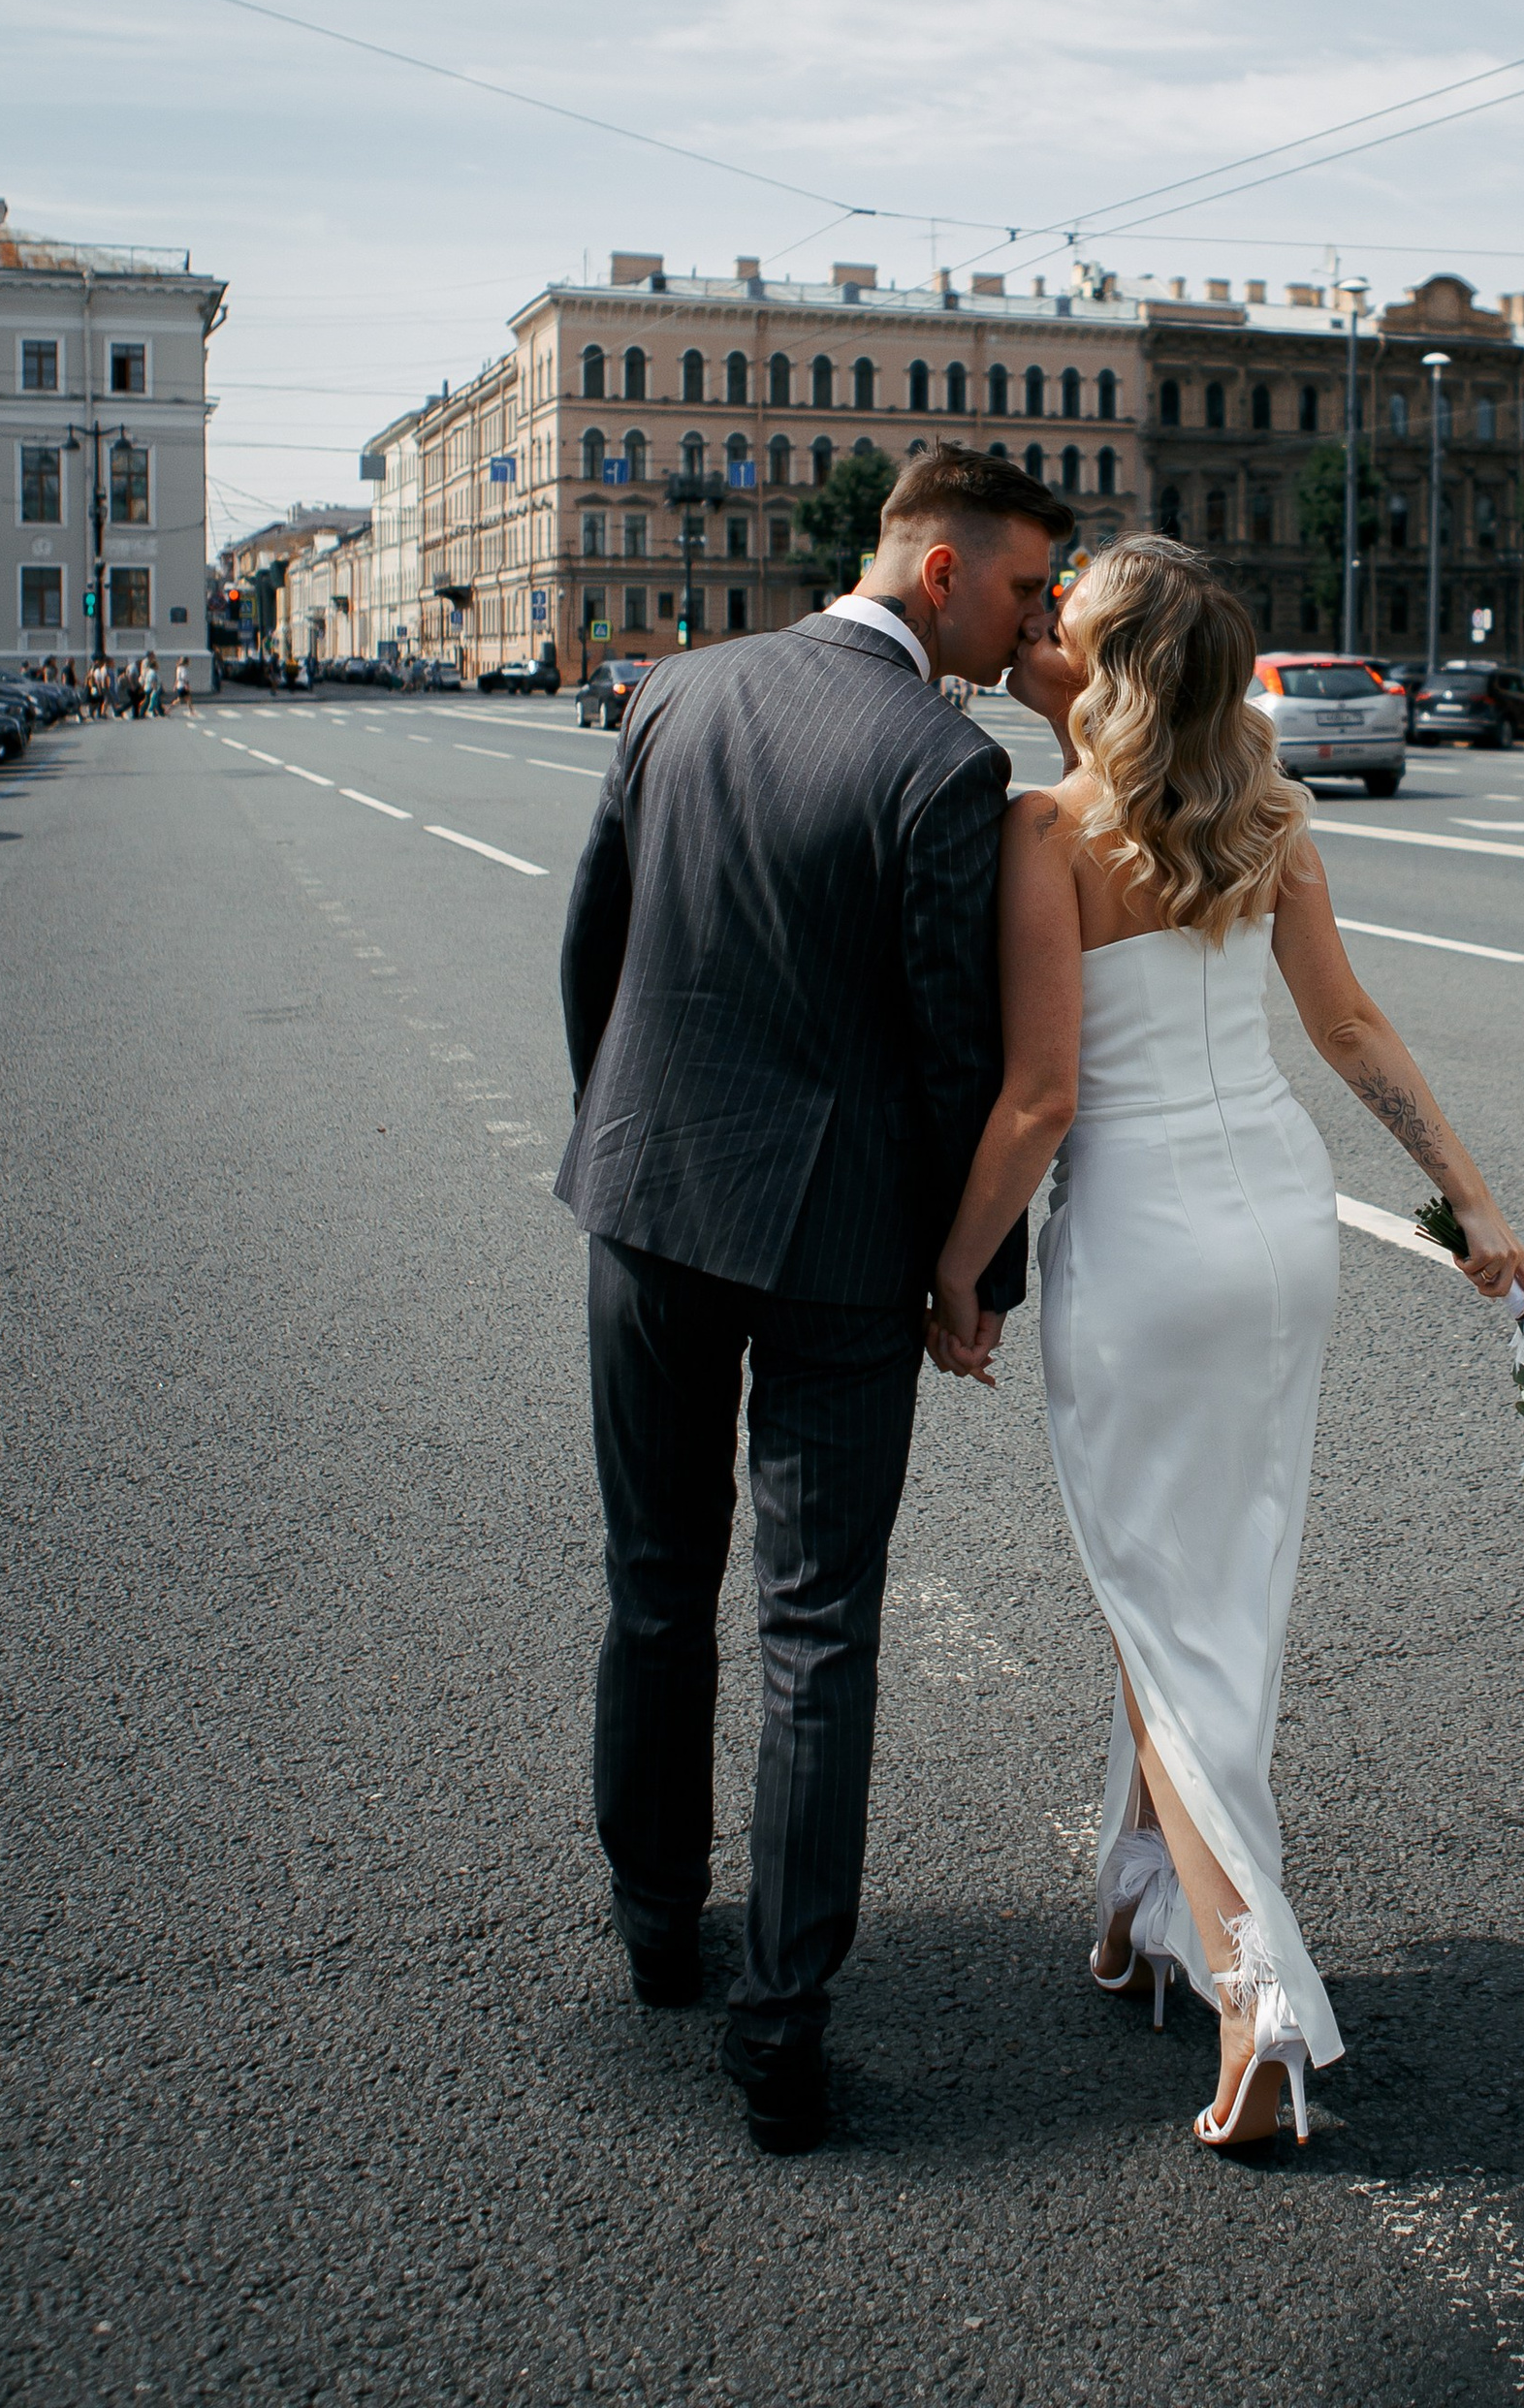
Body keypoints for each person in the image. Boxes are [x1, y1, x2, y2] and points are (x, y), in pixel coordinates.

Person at [930, 536, 1524, 2156]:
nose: (1038, 635)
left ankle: (1255, 1987)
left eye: (1064, 624)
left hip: (1141, 1244)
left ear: (1111, 669)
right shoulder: (1272, 812)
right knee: (1200, 1590)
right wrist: (1472, 1205)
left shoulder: (1047, 833)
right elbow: (1350, 1028)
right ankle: (1144, 1903)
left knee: (1166, 1605)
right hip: (1280, 1226)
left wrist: (951, 1270)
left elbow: (1044, 1100)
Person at [555, 443, 1078, 2154]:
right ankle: (781, 2030)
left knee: (653, 1582)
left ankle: (656, 1934)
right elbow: (956, 1058)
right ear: (942, 572)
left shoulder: (679, 692)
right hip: (844, 1250)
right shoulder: (944, 761)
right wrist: (972, 1273)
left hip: (651, 1202)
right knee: (817, 1628)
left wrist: (623, 1141)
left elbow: (598, 945)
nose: (1035, 622)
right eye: (1022, 590)